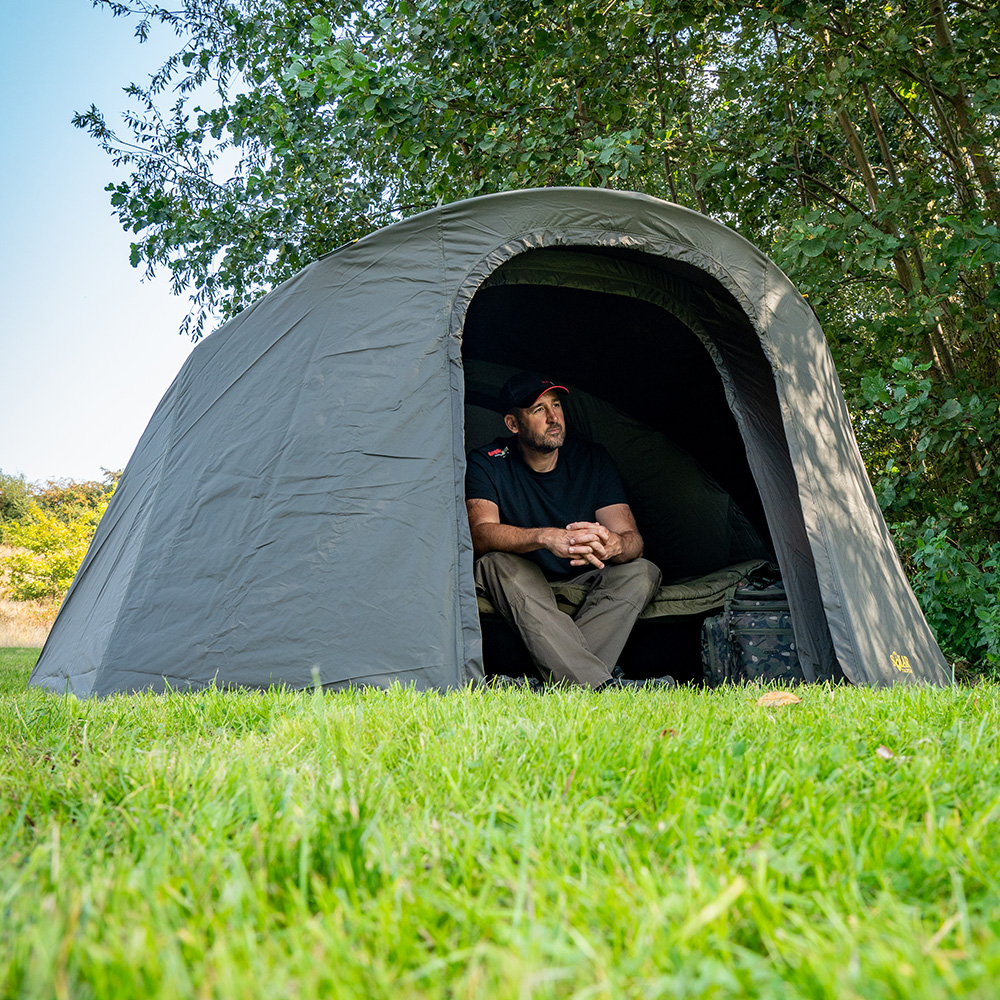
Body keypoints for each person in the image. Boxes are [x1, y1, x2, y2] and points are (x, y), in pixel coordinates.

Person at [465, 372, 674, 690]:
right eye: (538, 410)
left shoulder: (592, 459)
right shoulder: (488, 462)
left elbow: (633, 542)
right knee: (494, 563)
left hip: (583, 577)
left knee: (642, 571)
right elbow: (480, 535)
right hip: (523, 577)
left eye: (557, 405)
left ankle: (549, 685)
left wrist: (613, 544)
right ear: (513, 424)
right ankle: (601, 686)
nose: (553, 417)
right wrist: (545, 537)